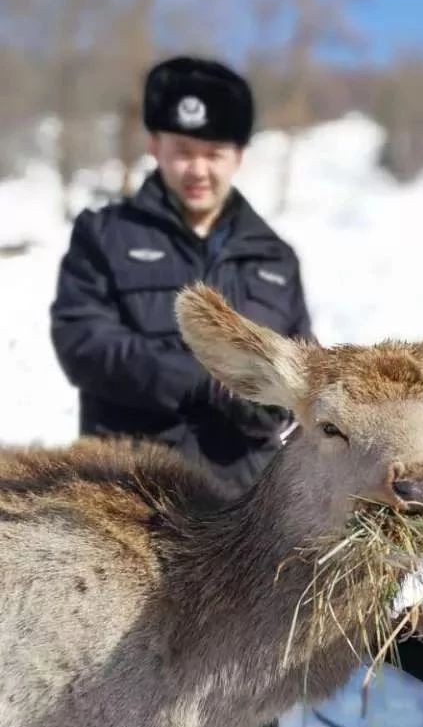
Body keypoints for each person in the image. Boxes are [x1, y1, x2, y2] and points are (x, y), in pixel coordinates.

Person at [51, 56, 313, 497]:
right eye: (183, 152)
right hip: (125, 494)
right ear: (155, 147)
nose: (198, 170)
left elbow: (303, 364)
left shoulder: (276, 257)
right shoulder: (103, 234)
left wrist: (278, 401)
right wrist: (202, 378)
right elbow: (83, 343)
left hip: (240, 503)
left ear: (239, 156)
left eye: (214, 155)